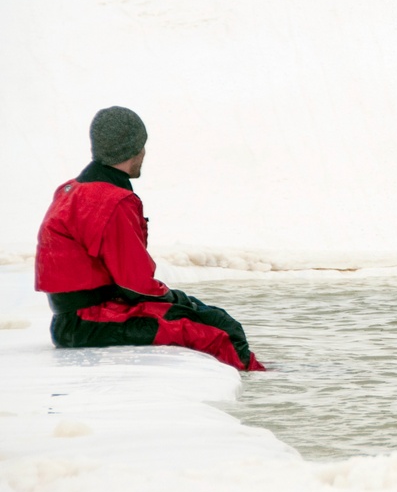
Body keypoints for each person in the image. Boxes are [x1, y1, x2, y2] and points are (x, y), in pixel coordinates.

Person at [35, 106, 265, 371]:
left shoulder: (72, 190)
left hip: (75, 320)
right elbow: (136, 285)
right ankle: (258, 382)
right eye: (142, 146)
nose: (144, 153)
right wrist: (176, 300)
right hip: (90, 322)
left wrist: (177, 300)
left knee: (213, 319)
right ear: (131, 149)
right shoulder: (113, 201)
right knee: (218, 332)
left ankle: (256, 373)